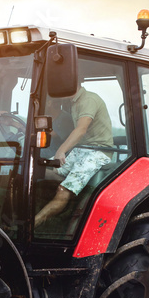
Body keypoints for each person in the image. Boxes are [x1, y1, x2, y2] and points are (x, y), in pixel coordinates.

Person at [34, 84, 114, 227]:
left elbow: (81, 129)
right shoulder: (73, 103)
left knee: (63, 190)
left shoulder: (88, 100)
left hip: (98, 151)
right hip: (82, 149)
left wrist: (61, 150)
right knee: (39, 170)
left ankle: (32, 225)